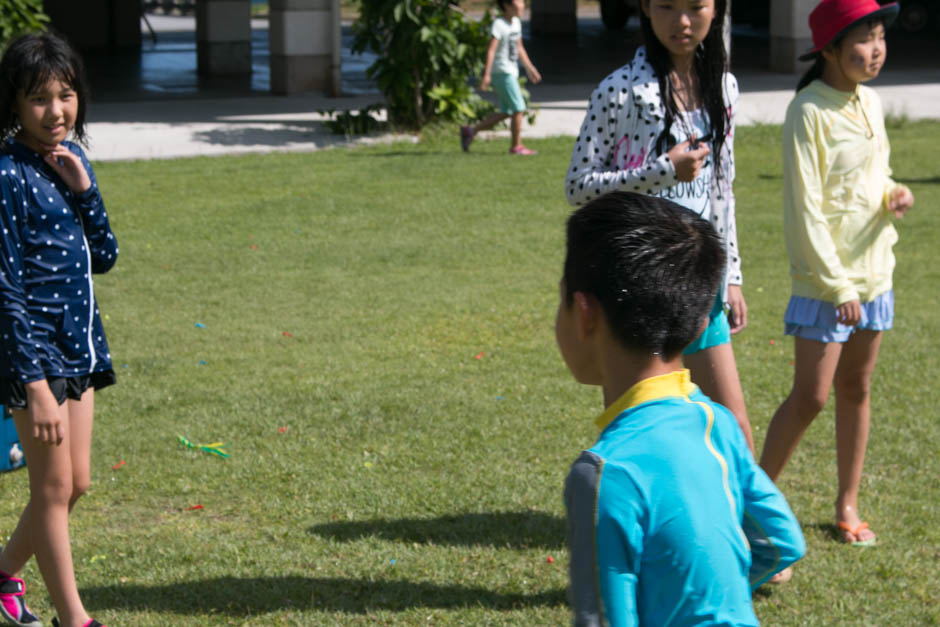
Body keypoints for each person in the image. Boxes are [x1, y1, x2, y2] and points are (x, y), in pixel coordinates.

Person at [558, 192, 805, 626]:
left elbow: (600, 619)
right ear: (695, 323)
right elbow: (780, 542)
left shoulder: (603, 473)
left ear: (583, 314)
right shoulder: (718, 425)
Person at [564, 0, 755, 453]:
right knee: (645, 425)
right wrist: (663, 170)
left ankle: (741, 524)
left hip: (699, 279)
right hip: (639, 286)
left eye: (696, 6)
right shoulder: (621, 90)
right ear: (646, 9)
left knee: (733, 426)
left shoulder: (723, 87)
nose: (682, 21)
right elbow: (578, 186)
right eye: (667, 5)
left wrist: (732, 275)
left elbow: (721, 185)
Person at [758, 0, 913, 548]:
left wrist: (892, 192)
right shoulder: (808, 111)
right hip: (829, 283)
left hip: (875, 274)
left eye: (879, 38)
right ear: (827, 49)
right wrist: (839, 286)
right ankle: (753, 503)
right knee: (812, 396)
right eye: (863, 40)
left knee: (857, 386)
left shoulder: (869, 102)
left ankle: (847, 504)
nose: (875, 51)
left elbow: (871, 174)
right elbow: (806, 209)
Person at [0, 31, 117, 627]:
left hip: (80, 348)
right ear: (14, 104)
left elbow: (107, 255)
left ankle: (0, 575)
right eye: (40, 98)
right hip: (35, 356)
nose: (56, 111)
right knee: (51, 489)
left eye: (66, 95)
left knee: (76, 486)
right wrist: (34, 382)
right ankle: (76, 619)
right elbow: (4, 287)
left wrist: (85, 191)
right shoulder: (5, 176)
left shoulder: (71, 161)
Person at [460, 0, 541, 155]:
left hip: (511, 72)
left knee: (508, 111)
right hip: (502, 72)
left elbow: (519, 48)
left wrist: (530, 68)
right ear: (507, 5)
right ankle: (516, 147)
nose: (523, 5)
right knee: (519, 108)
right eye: (519, 2)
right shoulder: (499, 24)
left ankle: (470, 131)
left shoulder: (516, 22)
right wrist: (487, 74)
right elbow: (491, 50)